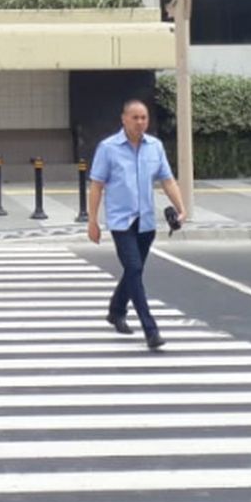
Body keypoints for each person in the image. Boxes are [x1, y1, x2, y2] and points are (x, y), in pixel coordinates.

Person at [87, 99, 186, 351]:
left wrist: (181, 208)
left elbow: (167, 180)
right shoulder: (108, 148)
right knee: (133, 268)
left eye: (144, 118)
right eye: (135, 117)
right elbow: (97, 186)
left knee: (135, 271)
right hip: (121, 222)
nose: (140, 122)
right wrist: (93, 221)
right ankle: (150, 330)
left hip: (146, 221)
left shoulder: (155, 146)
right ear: (124, 119)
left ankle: (116, 310)